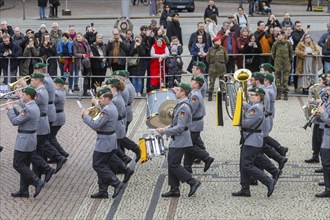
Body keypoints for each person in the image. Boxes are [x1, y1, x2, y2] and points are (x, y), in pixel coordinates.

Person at [156, 83, 202, 198]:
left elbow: (180, 127)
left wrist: (165, 132)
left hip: (180, 140)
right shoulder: (181, 104)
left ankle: (192, 181)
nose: (176, 92)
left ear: (183, 92)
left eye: (177, 91)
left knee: (173, 164)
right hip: (177, 139)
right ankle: (174, 189)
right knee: (172, 162)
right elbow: (174, 123)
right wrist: (165, 128)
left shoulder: (184, 107)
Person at [81, 87, 126, 199]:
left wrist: (86, 116)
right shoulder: (110, 107)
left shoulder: (107, 110)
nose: (99, 100)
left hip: (104, 141)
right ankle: (103, 190)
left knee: (98, 164)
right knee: (103, 164)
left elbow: (96, 125)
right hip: (109, 139)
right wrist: (96, 105)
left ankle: (115, 182)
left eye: (100, 98)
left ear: (106, 99)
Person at [232, 87, 276, 197]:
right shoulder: (254, 107)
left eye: (254, 95)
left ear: (260, 97)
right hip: (249, 139)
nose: (251, 96)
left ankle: (267, 181)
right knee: (243, 164)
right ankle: (245, 188)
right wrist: (244, 105)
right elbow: (249, 109)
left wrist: (238, 117)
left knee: (246, 164)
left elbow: (246, 123)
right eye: (251, 94)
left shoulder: (256, 109)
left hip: (253, 140)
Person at [5, 87, 45, 198]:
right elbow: (22, 117)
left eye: (24, 95)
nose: (22, 96)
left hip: (24, 140)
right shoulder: (32, 106)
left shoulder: (29, 109)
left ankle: (37, 181)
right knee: (25, 164)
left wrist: (10, 110)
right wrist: (14, 110)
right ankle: (24, 190)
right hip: (29, 139)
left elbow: (15, 121)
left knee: (17, 164)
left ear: (28, 96)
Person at [183, 76, 214, 173]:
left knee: (187, 145)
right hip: (193, 124)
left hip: (194, 125)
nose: (191, 83)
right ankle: (187, 167)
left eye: (193, 82)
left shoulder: (195, 95)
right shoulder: (194, 93)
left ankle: (206, 158)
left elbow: (191, 110)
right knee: (189, 144)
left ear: (197, 85)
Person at [305, 74, 328, 163]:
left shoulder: (326, 90)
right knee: (315, 137)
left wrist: (313, 101)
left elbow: (322, 102)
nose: (319, 83)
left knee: (320, 138)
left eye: (320, 81)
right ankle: (315, 155)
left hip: (323, 119)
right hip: (317, 117)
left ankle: (324, 161)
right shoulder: (319, 89)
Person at [315, 81, 330, 197]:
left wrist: (323, 113)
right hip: (326, 134)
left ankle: (328, 188)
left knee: (326, 163)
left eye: (329, 90)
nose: (327, 92)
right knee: (326, 162)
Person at [271, 31, 293, 100]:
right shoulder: (276, 43)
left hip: (286, 64)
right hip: (278, 64)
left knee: (285, 79)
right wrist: (276, 59)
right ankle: (278, 93)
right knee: (277, 79)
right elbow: (272, 53)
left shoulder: (288, 43)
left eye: (280, 35)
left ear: (284, 36)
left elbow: (291, 53)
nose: (279, 37)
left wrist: (288, 60)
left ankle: (285, 93)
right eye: (278, 35)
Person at [206, 36, 228, 101]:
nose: (219, 42)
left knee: (222, 82)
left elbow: (226, 58)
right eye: (218, 41)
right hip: (212, 68)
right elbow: (208, 59)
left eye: (220, 41)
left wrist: (221, 63)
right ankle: (210, 95)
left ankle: (224, 95)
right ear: (214, 42)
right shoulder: (210, 49)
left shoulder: (223, 49)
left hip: (221, 67)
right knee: (211, 82)